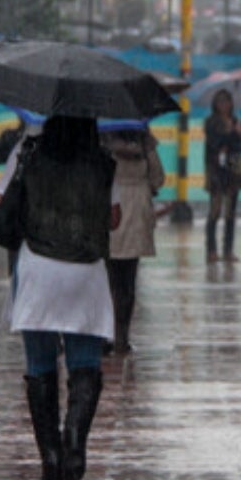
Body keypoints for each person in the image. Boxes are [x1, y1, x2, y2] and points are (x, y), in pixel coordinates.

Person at [9, 115, 120, 480]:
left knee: (40, 366)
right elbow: (114, 217)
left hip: (37, 269)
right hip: (84, 273)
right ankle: (74, 438)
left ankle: (51, 458)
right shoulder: (102, 162)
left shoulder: (29, 155)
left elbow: (0, 206)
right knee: (85, 364)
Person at [102, 126, 165, 353]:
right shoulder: (145, 142)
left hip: (110, 210)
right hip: (138, 211)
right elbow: (158, 178)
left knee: (107, 279)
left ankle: (104, 334)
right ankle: (122, 337)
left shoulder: (103, 140)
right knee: (127, 281)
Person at [203, 88, 241, 265]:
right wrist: (230, 134)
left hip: (233, 173)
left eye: (226, 101)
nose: (224, 105)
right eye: (220, 102)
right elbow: (215, 144)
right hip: (216, 173)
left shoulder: (237, 121)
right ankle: (211, 250)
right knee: (214, 212)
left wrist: (238, 132)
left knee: (230, 214)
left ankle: (228, 250)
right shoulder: (211, 122)